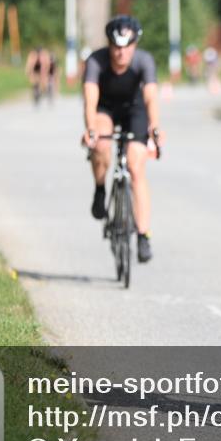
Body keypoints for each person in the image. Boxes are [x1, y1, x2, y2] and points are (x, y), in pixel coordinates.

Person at [81, 15, 163, 263]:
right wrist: (90, 129)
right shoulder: (96, 61)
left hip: (133, 110)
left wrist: (155, 127)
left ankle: (143, 235)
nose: (121, 52)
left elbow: (150, 97)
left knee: (136, 166)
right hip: (105, 108)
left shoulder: (143, 61)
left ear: (134, 45)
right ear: (109, 45)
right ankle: (99, 189)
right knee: (102, 144)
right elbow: (90, 98)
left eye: (126, 46)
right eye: (116, 47)